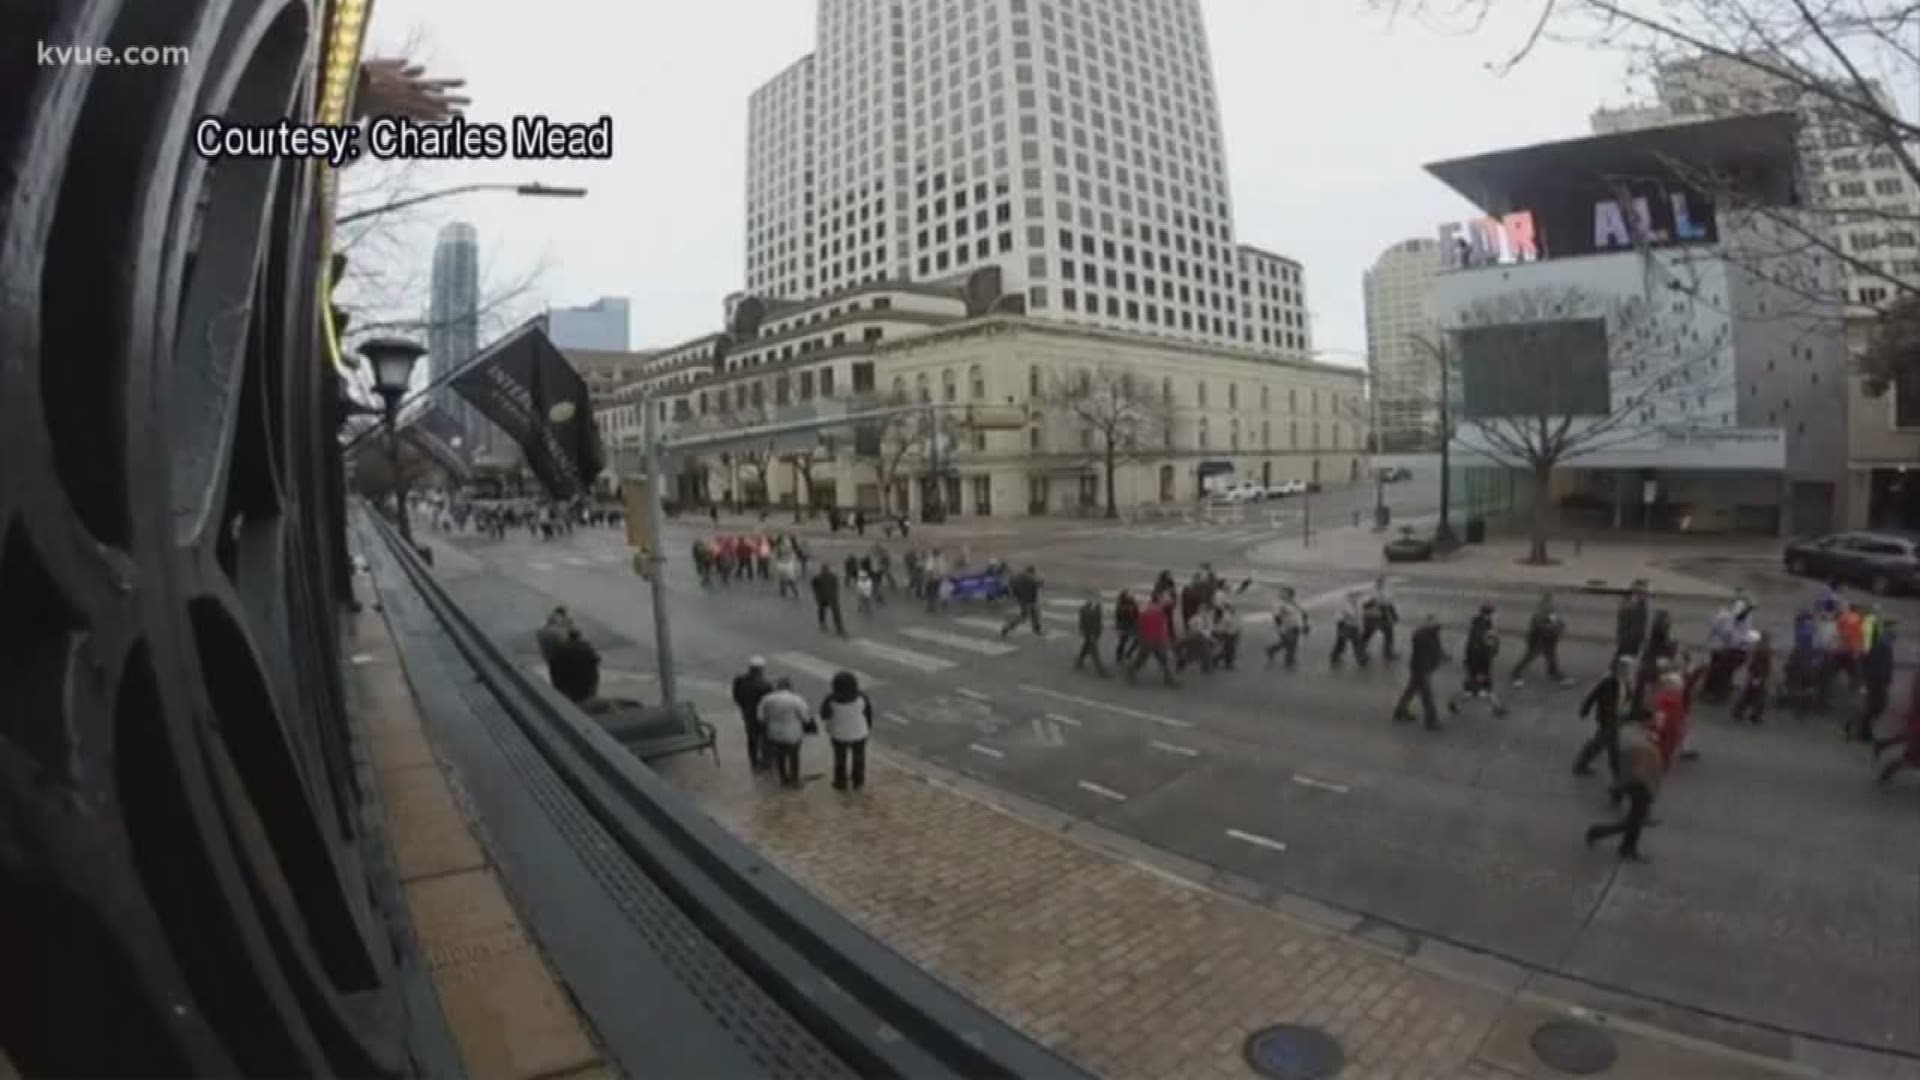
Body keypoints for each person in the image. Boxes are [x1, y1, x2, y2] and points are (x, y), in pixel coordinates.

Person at [1585, 709, 1662, 862]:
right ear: (1645, 721)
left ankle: (1609, 837)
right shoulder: (1636, 739)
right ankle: (1622, 845)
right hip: (1638, 781)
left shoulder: (1630, 733)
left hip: (1633, 779)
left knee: (1636, 818)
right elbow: (1639, 761)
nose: (1656, 722)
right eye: (1654, 720)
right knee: (1636, 818)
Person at [1574, 656, 1634, 779]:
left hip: (1615, 717)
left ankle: (1582, 764)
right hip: (1608, 717)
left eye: (1628, 668)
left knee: (1603, 743)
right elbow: (1594, 695)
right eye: (1624, 668)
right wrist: (1585, 709)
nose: (1627, 671)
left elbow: (1626, 698)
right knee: (1607, 744)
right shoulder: (1609, 681)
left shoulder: (1625, 682)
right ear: (1618, 668)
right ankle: (1617, 771)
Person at [1448, 604, 1507, 717]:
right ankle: (1497, 708)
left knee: (1477, 688)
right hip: (1479, 665)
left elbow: (1490, 644)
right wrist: (1479, 670)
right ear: (1488, 615)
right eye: (1494, 614)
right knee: (1477, 688)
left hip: (1481, 664)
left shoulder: (1485, 626)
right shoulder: (1481, 629)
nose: (1496, 616)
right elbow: (1476, 650)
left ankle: (1497, 708)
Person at [1391, 614, 1447, 730]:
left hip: (1421, 668)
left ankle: (1400, 711)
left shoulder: (1431, 634)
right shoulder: (1423, 636)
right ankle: (1431, 721)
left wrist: (1441, 656)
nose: (1438, 627)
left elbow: (1437, 648)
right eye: (1435, 624)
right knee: (1427, 696)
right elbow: (1429, 652)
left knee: (1411, 690)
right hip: (1422, 669)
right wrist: (1436, 659)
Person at [821, 671, 873, 792]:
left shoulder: (830, 699)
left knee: (840, 759)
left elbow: (824, 715)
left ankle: (841, 782)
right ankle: (858, 781)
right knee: (859, 758)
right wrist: (867, 727)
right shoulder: (862, 697)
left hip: (839, 734)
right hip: (859, 732)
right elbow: (868, 714)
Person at [757, 678, 813, 788]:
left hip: (774, 733)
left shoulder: (767, 699)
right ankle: (794, 780)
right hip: (793, 733)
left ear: (777, 686)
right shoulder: (797, 699)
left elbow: (761, 717)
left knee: (780, 757)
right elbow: (806, 718)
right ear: (790, 687)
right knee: (794, 757)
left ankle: (783, 779)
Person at [1510, 591, 1571, 688]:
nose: (1550, 606)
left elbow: (1559, 624)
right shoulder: (1539, 615)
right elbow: (1538, 627)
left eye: (1550, 603)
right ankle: (1516, 673)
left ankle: (1553, 672)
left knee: (1551, 658)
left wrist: (1558, 628)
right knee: (1529, 657)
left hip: (1548, 640)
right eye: (1548, 603)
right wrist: (1553, 627)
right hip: (1538, 641)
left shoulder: (1551, 613)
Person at [1856, 617, 1898, 742]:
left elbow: (1887, 665)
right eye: (1893, 633)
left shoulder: (1885, 646)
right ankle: (1864, 731)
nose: (1895, 635)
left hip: (1879, 680)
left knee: (1877, 706)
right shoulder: (1881, 646)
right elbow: (1871, 663)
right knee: (1876, 706)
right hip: (1876, 680)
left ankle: (1865, 730)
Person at [1125, 596, 1179, 687]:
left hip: (1151, 641)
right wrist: (1165, 640)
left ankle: (1169, 679)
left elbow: (1139, 627)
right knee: (1147, 659)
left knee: (1160, 660)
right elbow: (1162, 629)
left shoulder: (1149, 614)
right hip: (1153, 641)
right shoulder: (1156, 614)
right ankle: (1131, 672)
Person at [731, 657, 774, 771]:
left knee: (751, 739)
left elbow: (736, 696)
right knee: (766, 738)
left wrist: (743, 707)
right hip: (762, 716)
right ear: (761, 669)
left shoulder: (739, 680)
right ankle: (766, 761)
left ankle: (754, 762)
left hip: (748, 714)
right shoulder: (765, 684)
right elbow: (769, 702)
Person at [547, 628, 601, 704]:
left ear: (569, 636)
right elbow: (595, 659)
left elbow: (553, 663)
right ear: (579, 636)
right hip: (585, 678)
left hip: (568, 679)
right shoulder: (585, 646)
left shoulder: (561, 647)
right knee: (585, 697)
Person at [1731, 632, 1773, 725]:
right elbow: (1759, 665)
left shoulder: (1761, 649)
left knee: (1751, 695)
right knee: (1758, 696)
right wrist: (1758, 676)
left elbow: (1754, 664)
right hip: (1758, 676)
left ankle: (1741, 712)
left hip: (1757, 675)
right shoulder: (1763, 650)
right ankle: (1754, 715)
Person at [1266, 586, 1308, 669]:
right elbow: (1276, 616)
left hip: (1295, 626)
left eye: (1287, 593)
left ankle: (1271, 650)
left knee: (1290, 643)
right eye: (1284, 593)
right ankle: (1289, 661)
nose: (1284, 595)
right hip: (1285, 627)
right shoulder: (1280, 604)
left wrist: (1305, 624)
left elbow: (1303, 613)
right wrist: (1280, 627)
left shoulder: (1294, 603)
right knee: (1290, 643)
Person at [1359, 576, 1398, 662]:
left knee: (1389, 633)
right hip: (1371, 617)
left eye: (1383, 583)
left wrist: (1394, 615)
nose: (1382, 584)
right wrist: (1373, 602)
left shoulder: (1386, 592)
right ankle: (1361, 650)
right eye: (1380, 583)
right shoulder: (1371, 592)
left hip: (1382, 616)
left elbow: (1389, 604)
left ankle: (1387, 652)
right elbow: (1364, 605)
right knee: (1368, 634)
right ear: (1377, 583)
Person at [1001, 565, 1045, 637]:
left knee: (1030, 615)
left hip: (1021, 599)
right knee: (1030, 615)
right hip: (1030, 600)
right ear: (1032, 571)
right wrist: (1042, 578)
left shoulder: (1017, 576)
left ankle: (1037, 629)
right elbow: (1039, 584)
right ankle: (1008, 627)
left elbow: (1011, 583)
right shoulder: (1030, 578)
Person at [1329, 592, 1368, 668]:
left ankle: (1362, 660)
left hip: (1354, 627)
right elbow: (1338, 617)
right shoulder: (1345, 606)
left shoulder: (1359, 606)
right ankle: (1334, 656)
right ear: (1349, 598)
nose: (1355, 599)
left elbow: (1360, 618)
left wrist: (1361, 627)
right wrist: (1344, 619)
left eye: (1356, 597)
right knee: (1341, 643)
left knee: (1358, 643)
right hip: (1346, 627)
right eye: (1353, 597)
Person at [1615, 582, 1650, 661]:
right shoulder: (1631, 607)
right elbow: (1628, 625)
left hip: (1632, 639)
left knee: (1626, 657)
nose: (1645, 596)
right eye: (1642, 593)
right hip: (1629, 639)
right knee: (1626, 657)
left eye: (1645, 593)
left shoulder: (1639, 606)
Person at [1074, 598, 1109, 676]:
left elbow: (1098, 621)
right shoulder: (1088, 611)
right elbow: (1087, 624)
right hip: (1091, 634)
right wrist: (1091, 635)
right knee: (1095, 653)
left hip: (1093, 634)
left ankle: (1079, 661)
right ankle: (1101, 671)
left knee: (1086, 647)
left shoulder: (1095, 609)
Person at [812, 564, 847, 636]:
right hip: (827, 597)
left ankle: (837, 627)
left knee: (832, 612)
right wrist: (817, 595)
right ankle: (828, 624)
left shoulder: (823, 577)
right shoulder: (819, 577)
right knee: (826, 611)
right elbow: (814, 586)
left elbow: (836, 586)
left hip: (828, 597)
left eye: (825, 569)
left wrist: (817, 595)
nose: (825, 571)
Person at [1113, 590, 1140, 665]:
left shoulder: (1133, 603)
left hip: (1132, 625)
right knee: (1123, 641)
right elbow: (1118, 616)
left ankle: (1129, 653)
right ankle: (1119, 656)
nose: (1129, 596)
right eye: (1127, 595)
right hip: (1123, 625)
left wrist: (1137, 622)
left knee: (1138, 640)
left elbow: (1137, 614)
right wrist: (1118, 627)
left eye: (1129, 595)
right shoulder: (1120, 605)